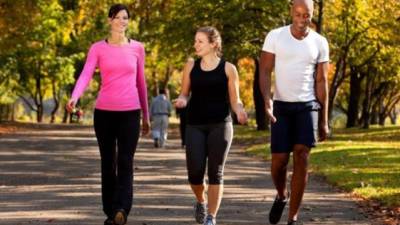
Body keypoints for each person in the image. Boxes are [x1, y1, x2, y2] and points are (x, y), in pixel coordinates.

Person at [65, 4, 150, 225]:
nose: (123, 21)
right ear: (110, 20)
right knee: (107, 162)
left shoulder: (138, 48)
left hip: (131, 113)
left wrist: (147, 116)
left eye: (126, 18)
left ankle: (122, 208)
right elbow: (85, 74)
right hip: (104, 113)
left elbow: (141, 83)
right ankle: (110, 210)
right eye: (119, 17)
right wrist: (74, 97)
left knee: (125, 161)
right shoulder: (97, 49)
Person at [259, 0, 330, 225]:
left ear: (312, 14)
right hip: (281, 105)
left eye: (306, 16)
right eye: (298, 14)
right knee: (279, 162)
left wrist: (324, 120)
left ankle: (293, 217)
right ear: (291, 10)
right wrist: (267, 101)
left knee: (302, 155)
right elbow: (265, 70)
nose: (301, 20)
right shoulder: (275, 36)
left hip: (307, 106)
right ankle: (282, 195)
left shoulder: (320, 42)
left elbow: (322, 81)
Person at [174, 26, 248, 225]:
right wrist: (182, 101)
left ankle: (211, 217)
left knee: (216, 171)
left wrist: (240, 111)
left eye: (200, 41)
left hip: (220, 125)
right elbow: (184, 93)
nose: (195, 44)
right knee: (195, 173)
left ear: (213, 44)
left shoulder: (228, 68)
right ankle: (201, 200)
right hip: (195, 125)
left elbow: (235, 100)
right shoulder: (191, 66)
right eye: (195, 40)